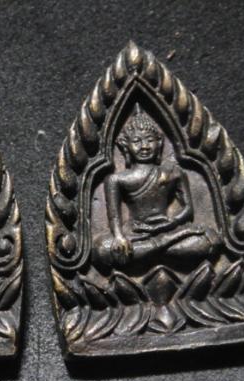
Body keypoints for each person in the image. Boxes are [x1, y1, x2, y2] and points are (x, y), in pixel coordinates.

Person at [93, 104, 220, 269]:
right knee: (101, 249)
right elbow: (114, 217)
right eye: (137, 141)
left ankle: (152, 252)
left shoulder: (174, 172)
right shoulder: (116, 179)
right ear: (125, 146)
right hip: (136, 233)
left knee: (212, 239)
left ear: (159, 143)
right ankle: (164, 249)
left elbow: (188, 209)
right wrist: (119, 237)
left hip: (168, 228)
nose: (144, 146)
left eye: (150, 140)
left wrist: (170, 224)